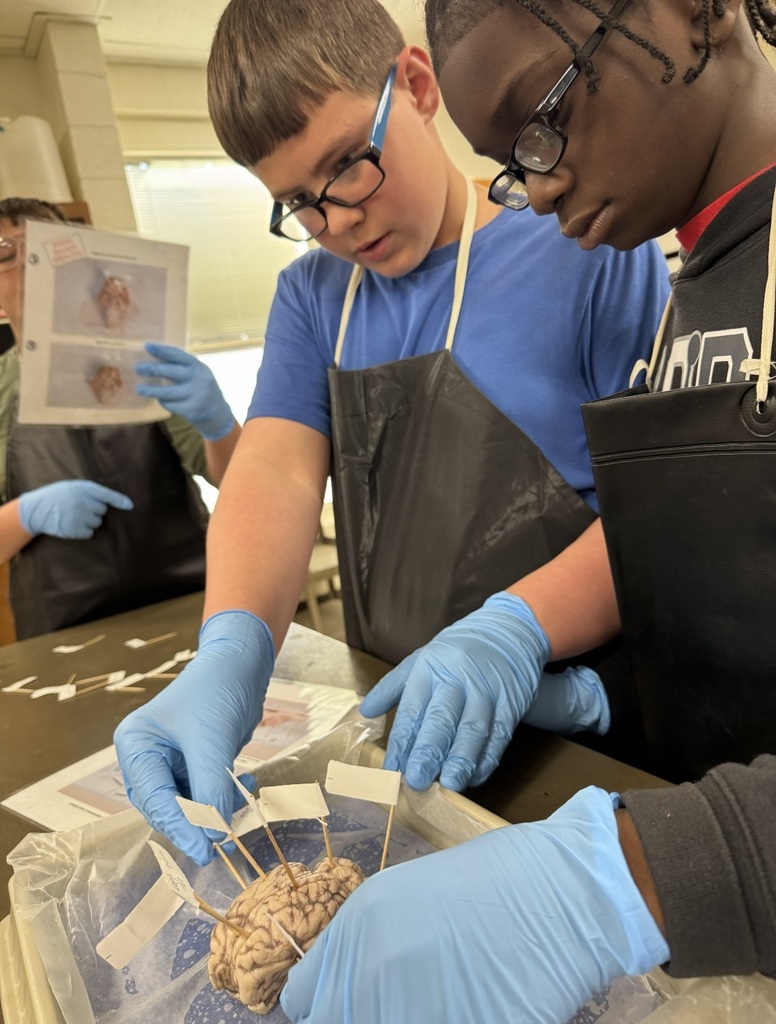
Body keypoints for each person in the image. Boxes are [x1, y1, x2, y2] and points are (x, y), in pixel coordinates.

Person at [275, 0, 776, 1020]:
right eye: (506, 160)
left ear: (696, 11)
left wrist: (620, 878)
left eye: (538, 120)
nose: (536, 190)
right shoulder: (703, 279)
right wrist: (606, 694)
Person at [113, 0, 669, 862]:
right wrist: (230, 647)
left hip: (572, 728)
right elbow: (277, 473)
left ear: (415, 87)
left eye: (347, 166)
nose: (336, 222)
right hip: (403, 740)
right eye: (299, 203)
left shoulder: (583, 240)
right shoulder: (313, 298)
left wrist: (513, 630)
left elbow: (661, 509)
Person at [0, 196, 241, 638]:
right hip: (63, 634)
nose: (31, 261)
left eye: (49, 245)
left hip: (193, 606)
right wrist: (26, 514)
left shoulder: (149, 361)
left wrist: (219, 424)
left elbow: (238, 481)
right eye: (5, 252)